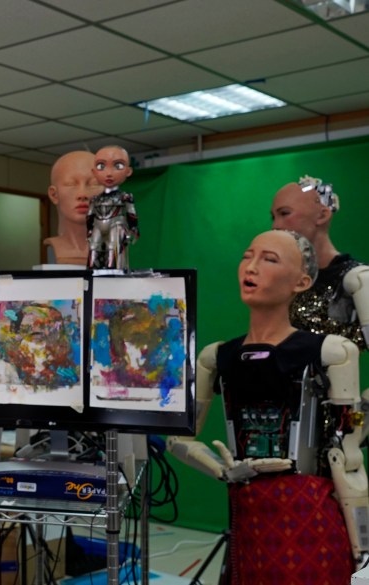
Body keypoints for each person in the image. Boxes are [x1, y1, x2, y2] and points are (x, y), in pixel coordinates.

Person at [168, 229, 368, 583]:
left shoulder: (330, 352)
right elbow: (179, 437)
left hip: (308, 516)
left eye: (270, 259)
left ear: (301, 281)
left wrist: (363, 551)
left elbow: (347, 457)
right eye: (248, 255)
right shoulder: (216, 357)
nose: (252, 266)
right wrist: (220, 469)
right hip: (246, 516)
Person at [270, 176, 368, 351]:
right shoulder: (283, 278)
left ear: (322, 215)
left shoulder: (356, 279)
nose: (275, 226)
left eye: (285, 213)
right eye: (273, 217)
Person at [43, 150, 102, 266]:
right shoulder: (56, 249)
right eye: (71, 184)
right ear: (54, 195)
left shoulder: (112, 249)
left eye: (93, 184)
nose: (83, 194)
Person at [86, 145, 139, 270]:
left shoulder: (125, 197)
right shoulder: (94, 199)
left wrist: (134, 229)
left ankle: (113, 273)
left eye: (118, 166)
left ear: (128, 171)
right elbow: (89, 216)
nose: (109, 173)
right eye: (101, 166)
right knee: (93, 249)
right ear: (94, 172)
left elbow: (132, 214)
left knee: (113, 251)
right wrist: (88, 230)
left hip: (116, 224)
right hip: (97, 225)